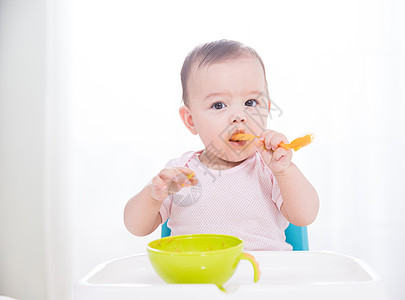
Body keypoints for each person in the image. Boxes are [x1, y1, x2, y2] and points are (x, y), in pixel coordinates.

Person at [124, 39, 319, 250]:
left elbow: (305, 216)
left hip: (263, 277)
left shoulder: (270, 169)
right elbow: (136, 227)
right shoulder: (181, 173)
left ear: (266, 109)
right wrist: (153, 195)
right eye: (219, 105)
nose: (239, 116)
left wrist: (284, 171)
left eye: (250, 103)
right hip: (198, 279)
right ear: (191, 120)